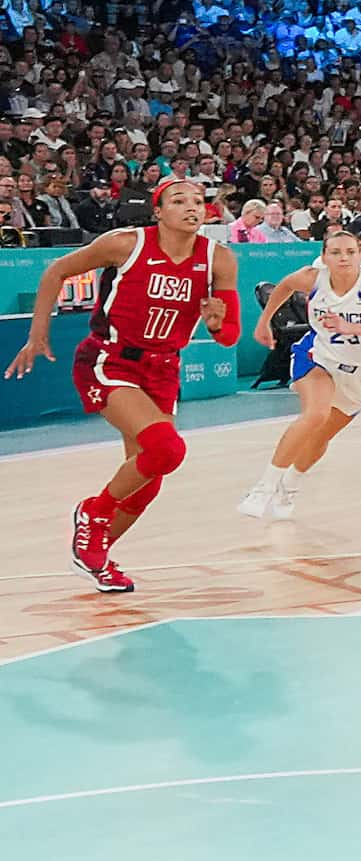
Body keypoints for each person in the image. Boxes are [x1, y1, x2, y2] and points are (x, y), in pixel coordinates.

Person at [5, 177, 242, 593]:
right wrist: (37, 331)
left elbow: (229, 336)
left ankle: (93, 553)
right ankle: (93, 513)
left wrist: (218, 323)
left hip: (164, 369)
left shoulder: (219, 259)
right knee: (167, 448)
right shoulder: (125, 244)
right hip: (110, 358)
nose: (192, 207)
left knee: (149, 480)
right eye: (179, 200)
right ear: (158, 212)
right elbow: (57, 270)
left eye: (198, 201)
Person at [241, 229, 361, 519]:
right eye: (336, 252)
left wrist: (350, 327)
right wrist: (263, 322)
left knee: (320, 438)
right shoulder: (311, 277)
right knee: (315, 415)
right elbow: (282, 286)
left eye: (350, 252)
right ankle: (263, 489)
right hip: (317, 357)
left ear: (360, 255)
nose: (343, 258)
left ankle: (288, 487)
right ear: (324, 256)